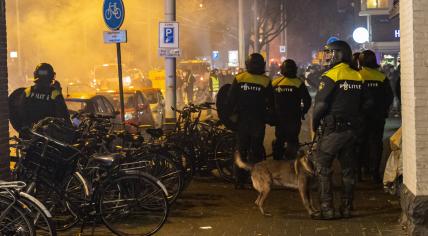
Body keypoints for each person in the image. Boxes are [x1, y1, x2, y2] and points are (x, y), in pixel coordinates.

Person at [311, 41, 372, 219]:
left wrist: (315, 125)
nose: (328, 57)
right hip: (352, 131)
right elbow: (368, 102)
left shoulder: (331, 75)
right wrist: (357, 117)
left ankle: (327, 208)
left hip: (333, 130)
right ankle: (346, 207)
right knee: (348, 170)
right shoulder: (358, 76)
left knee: (322, 166)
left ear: (339, 54)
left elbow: (321, 105)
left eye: (330, 53)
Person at [227, 53, 274, 189]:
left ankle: (239, 180)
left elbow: (230, 100)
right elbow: (271, 103)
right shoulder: (266, 81)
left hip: (242, 121)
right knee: (257, 151)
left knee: (241, 150)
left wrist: (231, 118)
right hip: (258, 122)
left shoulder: (239, 78)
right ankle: (256, 180)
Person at [358, 50, 394, 183]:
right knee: (376, 144)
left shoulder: (357, 76)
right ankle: (374, 174)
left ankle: (359, 174)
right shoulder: (381, 77)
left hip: (361, 117)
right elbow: (389, 96)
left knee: (360, 143)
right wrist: (383, 110)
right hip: (378, 117)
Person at [272, 59, 312, 160]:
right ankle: (291, 165)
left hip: (279, 119)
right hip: (294, 118)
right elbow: (307, 100)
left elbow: (267, 99)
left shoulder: (276, 82)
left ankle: (277, 163)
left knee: (279, 140)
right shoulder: (299, 83)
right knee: (293, 141)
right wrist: (303, 112)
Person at [21, 63, 71, 133]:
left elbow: (20, 112)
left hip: (29, 134)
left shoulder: (28, 91)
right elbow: (64, 114)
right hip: (48, 136)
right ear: (52, 76)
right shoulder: (54, 93)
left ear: (35, 75)